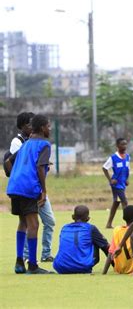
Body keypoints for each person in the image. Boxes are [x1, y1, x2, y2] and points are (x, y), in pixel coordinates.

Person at [6, 112, 56, 263]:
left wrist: (15, 175)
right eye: (48, 126)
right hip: (28, 188)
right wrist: (44, 191)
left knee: (23, 222)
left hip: (14, 187)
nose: (50, 129)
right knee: (34, 224)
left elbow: (8, 161)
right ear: (42, 128)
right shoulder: (44, 144)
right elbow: (41, 168)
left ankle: (20, 262)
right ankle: (33, 265)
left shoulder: (27, 143)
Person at [53, 205, 109, 274]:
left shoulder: (64, 228)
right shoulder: (91, 228)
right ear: (88, 219)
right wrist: (114, 264)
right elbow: (106, 247)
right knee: (98, 241)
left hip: (61, 267)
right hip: (82, 267)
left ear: (73, 217)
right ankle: (83, 262)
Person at [102, 205, 133, 274]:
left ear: (123, 218)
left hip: (121, 269)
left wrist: (104, 272)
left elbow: (111, 252)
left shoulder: (117, 230)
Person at [103, 138, 130, 228]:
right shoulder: (113, 158)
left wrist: (126, 179)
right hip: (116, 184)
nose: (124, 146)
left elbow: (127, 169)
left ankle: (109, 223)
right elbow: (104, 168)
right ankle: (128, 223)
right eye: (122, 144)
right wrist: (110, 179)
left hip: (122, 183)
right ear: (117, 146)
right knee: (124, 201)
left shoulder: (127, 157)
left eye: (125, 144)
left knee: (116, 203)